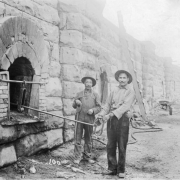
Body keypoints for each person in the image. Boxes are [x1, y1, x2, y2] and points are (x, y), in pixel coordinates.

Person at [96, 70, 135, 178]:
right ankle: (112, 168)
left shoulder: (131, 91)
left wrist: (110, 114)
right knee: (110, 145)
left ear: (128, 79)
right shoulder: (113, 90)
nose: (122, 80)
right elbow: (107, 105)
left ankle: (121, 170)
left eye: (124, 78)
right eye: (120, 78)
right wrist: (101, 114)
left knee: (122, 145)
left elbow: (125, 106)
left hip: (122, 119)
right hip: (111, 120)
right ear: (118, 79)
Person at [72, 74, 101, 164]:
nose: (88, 84)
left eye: (90, 82)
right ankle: (77, 157)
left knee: (88, 138)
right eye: (87, 82)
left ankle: (87, 156)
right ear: (84, 83)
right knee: (77, 138)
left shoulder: (95, 95)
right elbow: (73, 106)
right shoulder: (79, 94)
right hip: (79, 118)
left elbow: (99, 107)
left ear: (92, 84)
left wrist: (93, 110)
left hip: (89, 119)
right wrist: (75, 102)